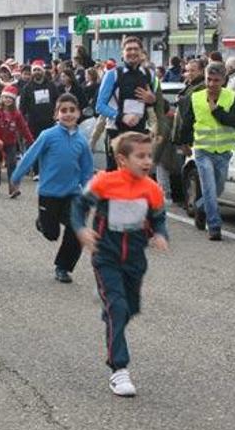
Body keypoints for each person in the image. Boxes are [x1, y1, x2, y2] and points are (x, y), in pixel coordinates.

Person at [72, 132, 169, 396]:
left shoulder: (152, 189)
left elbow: (159, 218)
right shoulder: (104, 182)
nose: (147, 161)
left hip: (135, 260)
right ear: (122, 159)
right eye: (140, 156)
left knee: (129, 308)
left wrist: (161, 234)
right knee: (118, 307)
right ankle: (119, 369)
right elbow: (79, 207)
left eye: (149, 155)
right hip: (106, 257)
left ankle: (110, 306)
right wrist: (81, 229)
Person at [11, 94, 94, 283]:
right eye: (63, 111)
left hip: (73, 193)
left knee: (76, 229)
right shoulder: (48, 135)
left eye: (72, 110)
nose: (68, 114)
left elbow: (87, 170)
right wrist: (16, 177)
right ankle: (42, 222)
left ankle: (63, 267)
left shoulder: (82, 141)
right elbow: (30, 156)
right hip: (49, 194)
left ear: (79, 113)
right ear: (56, 114)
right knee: (51, 234)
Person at [176, 61, 235, 240]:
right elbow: (187, 122)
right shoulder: (196, 97)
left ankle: (200, 207)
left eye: (216, 80)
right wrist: (184, 143)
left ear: (224, 80)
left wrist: (216, 111)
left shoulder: (231, 97)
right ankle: (214, 226)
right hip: (203, 150)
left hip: (223, 152)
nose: (212, 84)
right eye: (209, 80)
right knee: (210, 188)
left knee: (217, 189)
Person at [95, 36, 164, 171]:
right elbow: (99, 106)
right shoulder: (113, 74)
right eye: (129, 49)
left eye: (136, 49)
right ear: (123, 53)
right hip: (116, 132)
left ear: (142, 52)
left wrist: (152, 100)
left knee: (138, 174)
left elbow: (159, 107)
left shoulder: (149, 75)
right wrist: (121, 116)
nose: (132, 52)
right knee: (116, 176)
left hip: (140, 133)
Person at [0, 85, 34, 198]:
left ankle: (13, 188)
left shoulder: (17, 113)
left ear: (13, 100)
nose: (8, 100)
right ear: (2, 98)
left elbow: (23, 128)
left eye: (10, 98)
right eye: (5, 98)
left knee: (12, 164)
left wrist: (31, 141)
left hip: (10, 143)